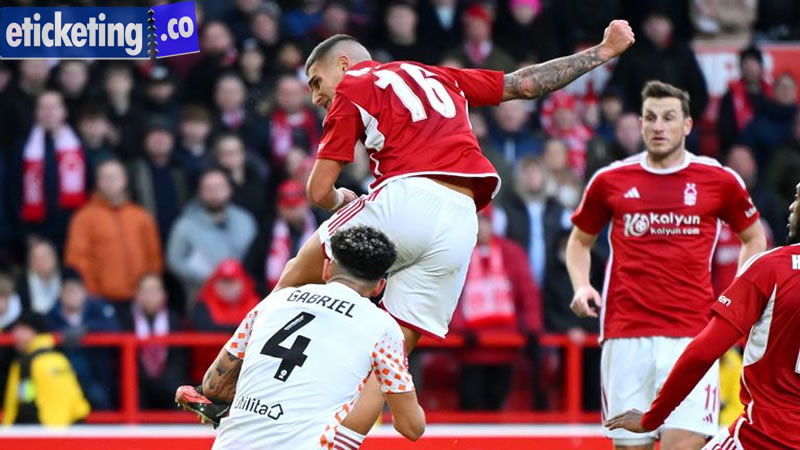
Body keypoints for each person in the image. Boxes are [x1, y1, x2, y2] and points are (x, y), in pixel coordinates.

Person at [264, 20, 635, 446]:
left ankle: (227, 381)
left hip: (406, 196)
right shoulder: (440, 76)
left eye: (316, 81)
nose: (315, 96)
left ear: (344, 65)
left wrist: (340, 199)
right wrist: (602, 52)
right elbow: (526, 84)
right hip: (461, 221)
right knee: (390, 357)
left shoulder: (354, 84)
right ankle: (336, 444)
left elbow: (317, 191)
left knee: (298, 273)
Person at [567, 81, 767, 450]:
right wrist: (582, 285)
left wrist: (737, 298)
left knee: (684, 445)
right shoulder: (610, 180)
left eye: (669, 117)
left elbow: (754, 238)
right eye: (651, 118)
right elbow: (579, 242)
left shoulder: (719, 180)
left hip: (693, 337)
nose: (658, 126)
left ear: (687, 125)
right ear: (641, 124)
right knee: (631, 446)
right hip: (626, 336)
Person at [176, 226, 425, 448]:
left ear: (327, 268)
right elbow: (411, 428)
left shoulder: (275, 301)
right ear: (379, 286)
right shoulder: (383, 327)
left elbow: (213, 387)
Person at [605, 180, 800, 450]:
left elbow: (703, 352)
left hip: (763, 438)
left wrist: (653, 417)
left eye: (798, 198)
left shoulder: (771, 268)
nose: (791, 207)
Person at [449, 206, 542, 411]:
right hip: (471, 345)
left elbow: (528, 292)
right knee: (470, 403)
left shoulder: (512, 252)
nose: (481, 227)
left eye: (485, 221)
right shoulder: (457, 252)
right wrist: (459, 327)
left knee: (497, 402)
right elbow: (448, 294)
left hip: (506, 343)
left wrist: (532, 327)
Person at [64, 159, 163, 309]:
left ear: (125, 179)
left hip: (140, 301)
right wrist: (92, 294)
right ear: (98, 182)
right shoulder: (83, 218)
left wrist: (150, 291)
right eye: (106, 177)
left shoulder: (141, 217)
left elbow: (153, 257)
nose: (111, 181)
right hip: (101, 300)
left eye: (115, 176)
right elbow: (77, 261)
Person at [166, 169, 257, 303]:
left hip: (245, 298)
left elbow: (257, 257)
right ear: (200, 193)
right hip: (202, 298)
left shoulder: (245, 220)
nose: (214, 193)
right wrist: (210, 280)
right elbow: (174, 261)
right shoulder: (186, 225)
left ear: (229, 189)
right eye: (208, 188)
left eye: (219, 187)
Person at [45, 267, 120, 410]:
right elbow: (43, 335)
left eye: (76, 290)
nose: (72, 295)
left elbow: (115, 329)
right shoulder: (51, 315)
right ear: (61, 293)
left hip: (96, 377)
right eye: (68, 291)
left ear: (84, 292)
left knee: (99, 398)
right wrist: (61, 333)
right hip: (61, 377)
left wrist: (87, 329)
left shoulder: (98, 309)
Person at [2, 312, 90, 426]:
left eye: (20, 330)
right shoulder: (60, 359)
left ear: (32, 331)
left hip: (42, 429)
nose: (15, 335)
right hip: (70, 427)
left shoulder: (26, 363)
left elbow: (25, 399)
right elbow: (77, 402)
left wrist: (8, 428)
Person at [122, 273, 187, 410]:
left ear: (164, 295)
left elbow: (179, 359)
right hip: (138, 381)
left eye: (154, 291)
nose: (150, 296)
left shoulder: (175, 321)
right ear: (136, 295)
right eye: (145, 291)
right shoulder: (125, 320)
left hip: (167, 381)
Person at [17, 239, 62, 315]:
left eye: (45, 257)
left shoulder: (68, 276)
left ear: (55, 257)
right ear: (30, 262)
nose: (42, 262)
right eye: (37, 258)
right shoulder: (21, 283)